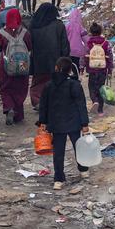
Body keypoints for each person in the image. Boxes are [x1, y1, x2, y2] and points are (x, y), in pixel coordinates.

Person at [38, 57, 90, 190]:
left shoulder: (48, 85)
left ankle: (58, 179)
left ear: (56, 68)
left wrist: (43, 122)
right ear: (69, 70)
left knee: (58, 152)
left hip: (56, 124)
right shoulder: (74, 85)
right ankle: (83, 170)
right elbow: (81, 105)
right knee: (78, 147)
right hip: (74, 122)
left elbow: (43, 105)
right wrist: (84, 123)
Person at [29, 3, 70, 109]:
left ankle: (38, 101)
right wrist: (66, 60)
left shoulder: (34, 25)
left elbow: (29, 44)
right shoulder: (59, 25)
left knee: (37, 83)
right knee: (54, 82)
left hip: (38, 61)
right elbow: (64, 45)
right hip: (55, 60)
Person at [0, 8, 32, 125]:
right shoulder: (25, 32)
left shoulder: (2, 33)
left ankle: (9, 108)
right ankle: (18, 115)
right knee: (20, 89)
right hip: (22, 65)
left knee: (6, 88)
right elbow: (30, 47)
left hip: (6, 65)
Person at [81, 22, 114, 117]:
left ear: (90, 32)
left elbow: (84, 56)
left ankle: (94, 101)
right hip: (103, 70)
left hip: (92, 70)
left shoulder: (89, 43)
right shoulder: (106, 43)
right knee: (101, 88)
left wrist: (82, 68)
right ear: (101, 32)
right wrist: (110, 71)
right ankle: (100, 110)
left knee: (92, 87)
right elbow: (110, 57)